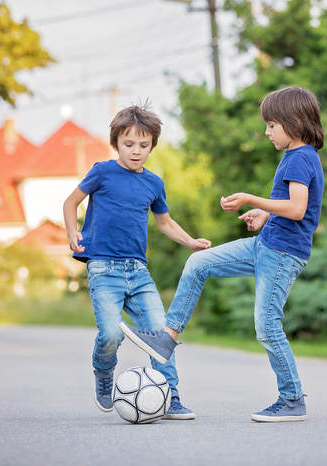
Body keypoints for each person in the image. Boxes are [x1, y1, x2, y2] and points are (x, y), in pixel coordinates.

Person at [121, 86, 325, 422]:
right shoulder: (296, 156)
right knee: (198, 262)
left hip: (282, 253)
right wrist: (265, 216)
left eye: (271, 125)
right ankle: (166, 338)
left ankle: (292, 400)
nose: (266, 131)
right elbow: (291, 207)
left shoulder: (301, 157)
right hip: (266, 244)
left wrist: (251, 199)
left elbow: (299, 208)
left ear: (294, 121)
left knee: (267, 326)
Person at [63, 104, 211, 420]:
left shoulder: (153, 183)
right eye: (129, 144)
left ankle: (171, 398)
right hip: (104, 269)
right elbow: (70, 201)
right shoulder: (102, 171)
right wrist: (73, 231)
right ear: (115, 143)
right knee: (111, 335)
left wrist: (190, 242)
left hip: (138, 272)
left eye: (144, 146)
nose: (136, 151)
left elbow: (165, 222)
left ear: (152, 146)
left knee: (160, 336)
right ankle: (104, 372)